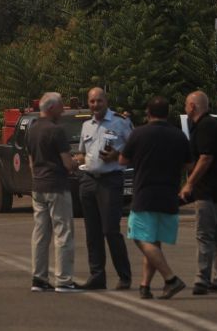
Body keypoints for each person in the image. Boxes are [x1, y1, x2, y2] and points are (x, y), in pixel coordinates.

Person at [119, 96, 191, 300]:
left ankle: (171, 279)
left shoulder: (138, 134)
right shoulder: (179, 136)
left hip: (145, 195)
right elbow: (188, 165)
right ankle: (145, 286)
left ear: (148, 113)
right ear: (167, 113)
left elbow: (123, 160)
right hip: (169, 196)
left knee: (140, 239)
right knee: (154, 243)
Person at [76, 87, 133, 290]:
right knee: (92, 232)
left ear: (106, 101)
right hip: (89, 180)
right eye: (92, 101)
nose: (95, 105)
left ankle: (124, 276)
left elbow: (134, 147)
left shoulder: (120, 122)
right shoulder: (86, 125)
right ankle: (97, 276)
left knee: (110, 230)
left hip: (110, 180)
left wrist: (117, 155)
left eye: (99, 101)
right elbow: (83, 152)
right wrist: (77, 161)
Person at [27, 92, 82, 293]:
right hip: (57, 186)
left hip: (38, 186)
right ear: (51, 108)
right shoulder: (56, 131)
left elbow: (31, 162)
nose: (63, 109)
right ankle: (64, 280)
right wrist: (78, 163)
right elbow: (67, 163)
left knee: (40, 234)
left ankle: (39, 278)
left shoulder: (32, 129)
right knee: (63, 233)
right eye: (61, 106)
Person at [179, 90, 217, 295]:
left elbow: (206, 158)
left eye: (186, 104)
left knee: (204, 235)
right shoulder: (208, 125)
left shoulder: (205, 126)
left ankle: (202, 279)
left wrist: (189, 183)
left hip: (208, 191)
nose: (185, 108)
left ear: (193, 106)